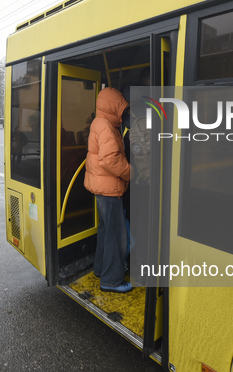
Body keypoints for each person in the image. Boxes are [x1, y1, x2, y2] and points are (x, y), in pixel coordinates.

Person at [84, 87, 132, 293]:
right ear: (113, 107)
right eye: (121, 108)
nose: (124, 114)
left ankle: (101, 269)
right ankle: (112, 280)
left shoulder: (99, 122)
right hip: (109, 189)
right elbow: (110, 159)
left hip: (101, 188)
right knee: (116, 235)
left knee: (105, 231)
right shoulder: (106, 126)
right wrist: (132, 173)